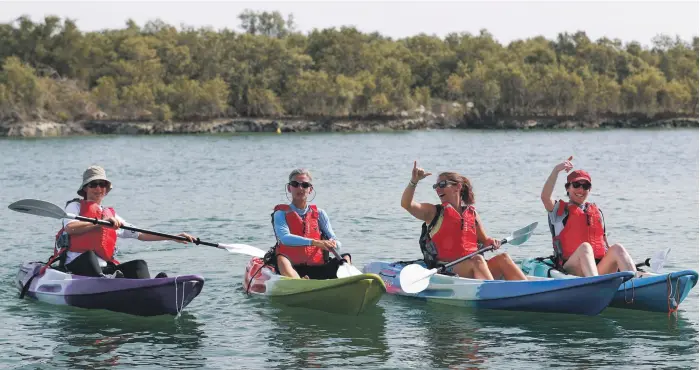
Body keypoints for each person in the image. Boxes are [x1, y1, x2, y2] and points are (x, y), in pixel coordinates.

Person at [54, 165, 196, 279]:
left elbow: (141, 235)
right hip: (77, 265)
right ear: (85, 188)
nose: (98, 188)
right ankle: (111, 283)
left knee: (139, 265)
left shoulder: (112, 216)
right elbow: (71, 228)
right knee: (89, 256)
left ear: (106, 189)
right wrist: (100, 223)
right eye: (93, 184)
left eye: (102, 184)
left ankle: (151, 286)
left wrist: (174, 237)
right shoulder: (75, 206)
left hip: (104, 268)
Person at [400, 161, 527, 280]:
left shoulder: (472, 214)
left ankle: (528, 290)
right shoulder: (433, 212)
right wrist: (414, 181)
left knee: (503, 258)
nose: (438, 189)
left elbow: (485, 240)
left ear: (458, 187)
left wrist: (491, 241)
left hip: (474, 266)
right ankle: (493, 293)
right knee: (477, 260)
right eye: (436, 186)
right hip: (446, 269)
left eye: (442, 185)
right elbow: (407, 204)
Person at [541, 156, 637, 277]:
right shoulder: (559, 210)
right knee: (585, 247)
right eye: (576, 185)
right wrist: (556, 170)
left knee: (618, 248)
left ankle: (635, 282)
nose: (581, 190)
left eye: (585, 186)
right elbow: (545, 197)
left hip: (597, 269)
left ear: (589, 189)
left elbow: (605, 244)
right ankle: (595, 285)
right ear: (568, 188)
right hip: (571, 268)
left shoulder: (597, 212)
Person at [267, 168, 352, 279]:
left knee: (345, 257)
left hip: (318, 268)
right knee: (281, 259)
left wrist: (332, 243)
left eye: (305, 185)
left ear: (310, 189)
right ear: (289, 188)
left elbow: (337, 243)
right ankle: (298, 283)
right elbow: (284, 238)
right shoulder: (280, 213)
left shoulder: (320, 214)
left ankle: (349, 281)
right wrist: (315, 242)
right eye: (295, 184)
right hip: (292, 267)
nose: (300, 188)